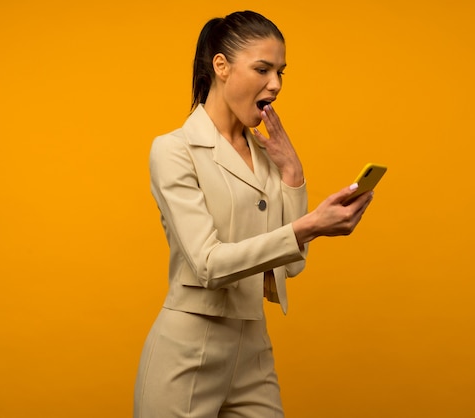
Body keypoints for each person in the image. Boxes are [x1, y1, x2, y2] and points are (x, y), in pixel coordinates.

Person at [134, 10, 374, 418]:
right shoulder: (174, 150)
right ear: (221, 67)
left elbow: (289, 268)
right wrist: (309, 225)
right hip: (189, 349)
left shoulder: (266, 156)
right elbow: (208, 265)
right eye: (263, 69)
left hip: (253, 348)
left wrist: (294, 176)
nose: (276, 85)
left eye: (280, 72)